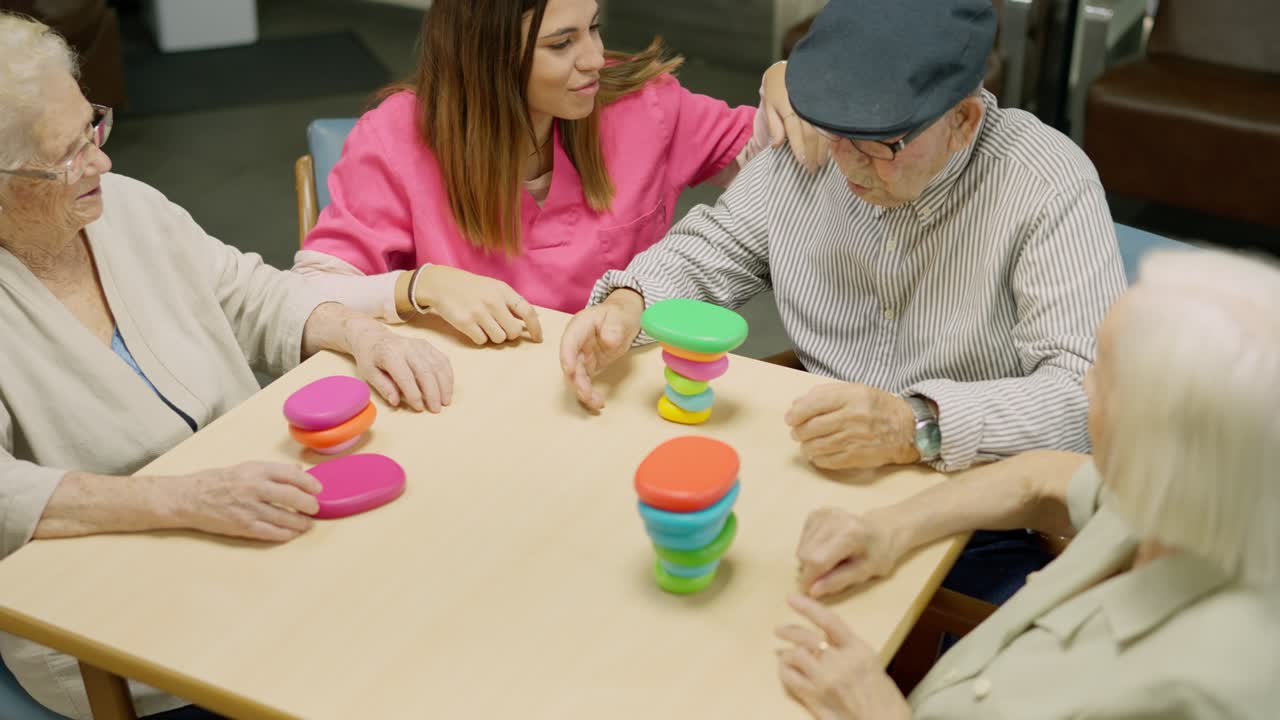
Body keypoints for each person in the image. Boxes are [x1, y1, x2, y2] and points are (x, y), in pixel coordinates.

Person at [559, 0, 1126, 604]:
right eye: (836, 132)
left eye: (881, 143)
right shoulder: (817, 143)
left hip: (975, 508)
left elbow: (1084, 398)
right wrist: (628, 301)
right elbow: (713, 249)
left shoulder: (1044, 183)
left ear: (962, 119)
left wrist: (917, 427)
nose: (847, 162)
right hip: (809, 470)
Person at [0, 14, 453, 719]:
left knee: (424, 587)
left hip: (255, 519)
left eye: (93, 126)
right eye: (67, 153)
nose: (102, 163)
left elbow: (251, 293)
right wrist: (186, 499)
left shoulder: (124, 208)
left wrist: (358, 331)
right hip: (106, 610)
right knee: (379, 655)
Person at [775, 248, 1280, 719]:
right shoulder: (1196, 495)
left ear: (1158, 438)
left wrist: (876, 709)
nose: (1083, 386)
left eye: (1104, 375)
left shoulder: (1211, 693)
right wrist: (889, 528)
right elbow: (1036, 478)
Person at [292, 0, 825, 345]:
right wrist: (420, 286)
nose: (595, 58)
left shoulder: (643, 105)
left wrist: (784, 89)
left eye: (592, 28)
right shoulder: (396, 137)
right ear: (487, 57)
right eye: (561, 44)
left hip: (616, 392)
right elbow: (307, 297)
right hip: (466, 402)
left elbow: (773, 179)